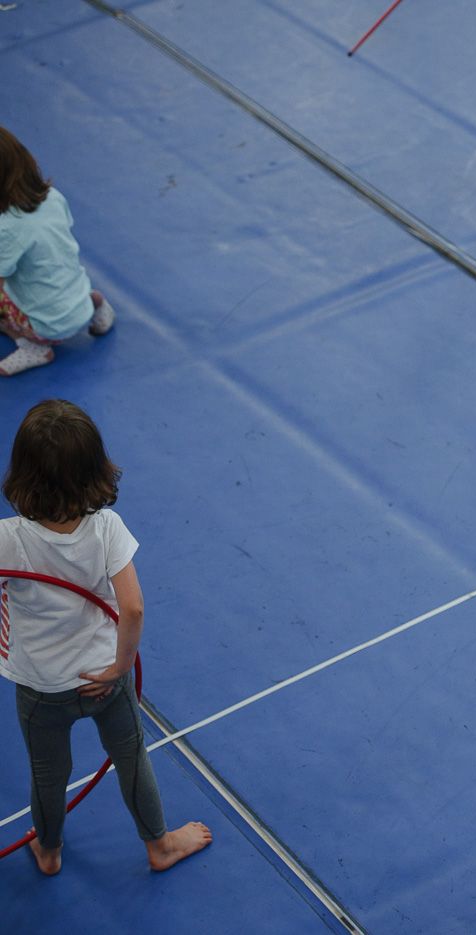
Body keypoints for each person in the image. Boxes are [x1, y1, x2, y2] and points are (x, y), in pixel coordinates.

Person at [0, 399, 211, 874]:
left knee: (48, 776)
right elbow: (133, 606)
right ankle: (160, 846)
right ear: (95, 467)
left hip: (42, 688)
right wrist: (120, 667)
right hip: (105, 678)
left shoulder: (7, 539)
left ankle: (49, 851)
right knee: (132, 757)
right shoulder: (105, 528)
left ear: (23, 474)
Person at [0, 126, 116, 376]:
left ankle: (34, 346)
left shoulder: (7, 228)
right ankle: (94, 303)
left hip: (47, 325)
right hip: (78, 294)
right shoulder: (52, 196)